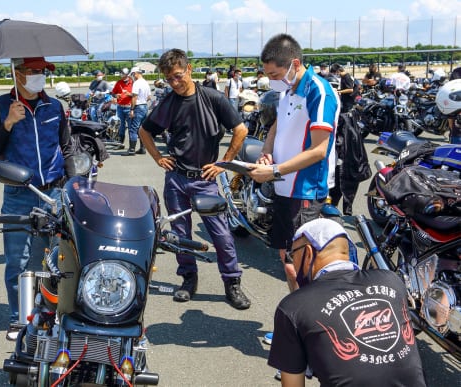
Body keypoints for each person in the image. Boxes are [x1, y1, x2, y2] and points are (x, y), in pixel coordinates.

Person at [138, 48, 251, 310]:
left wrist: (224, 163)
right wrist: (158, 158)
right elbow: (145, 131)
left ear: (189, 70)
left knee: (221, 235)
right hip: (177, 179)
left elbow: (240, 130)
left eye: (178, 76)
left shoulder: (212, 98)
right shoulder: (168, 104)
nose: (175, 83)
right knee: (180, 234)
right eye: (169, 79)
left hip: (205, 179)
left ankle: (232, 283)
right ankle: (188, 279)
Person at [267, 218, 427, 387]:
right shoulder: (392, 281)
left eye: (293, 255)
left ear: (307, 253)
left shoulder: (293, 307)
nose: (292, 262)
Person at [0, 57, 76, 340]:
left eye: (42, 72)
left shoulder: (54, 106)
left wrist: (74, 186)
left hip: (53, 192)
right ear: (18, 74)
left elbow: (67, 147)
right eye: (33, 71)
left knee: (53, 259)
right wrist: (8, 123)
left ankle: (50, 314)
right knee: (18, 260)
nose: (38, 76)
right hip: (18, 194)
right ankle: (19, 318)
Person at [247, 34, 339, 293]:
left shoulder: (318, 91)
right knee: (287, 261)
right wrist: (267, 151)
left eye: (275, 74)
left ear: (294, 64)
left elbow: (319, 150)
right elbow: (277, 125)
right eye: (268, 75)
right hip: (282, 187)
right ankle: (297, 325)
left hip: (305, 191)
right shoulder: (287, 89)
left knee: (300, 266)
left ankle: (306, 327)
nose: (271, 81)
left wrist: (273, 170)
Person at [126, 67, 150, 156]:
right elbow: (149, 97)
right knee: (142, 129)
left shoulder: (136, 83)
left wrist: (132, 109)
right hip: (144, 106)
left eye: (132, 75)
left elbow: (134, 97)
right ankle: (142, 148)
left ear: (135, 73)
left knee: (133, 129)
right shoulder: (145, 82)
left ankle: (132, 149)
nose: (132, 77)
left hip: (138, 107)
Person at [111, 68, 133, 149]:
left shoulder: (132, 82)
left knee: (131, 127)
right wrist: (116, 95)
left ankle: (132, 147)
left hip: (129, 107)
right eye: (120, 73)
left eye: (122, 73)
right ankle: (120, 144)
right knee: (121, 126)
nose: (121, 75)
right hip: (120, 107)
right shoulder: (119, 82)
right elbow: (113, 93)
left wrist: (129, 94)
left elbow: (136, 95)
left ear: (127, 74)